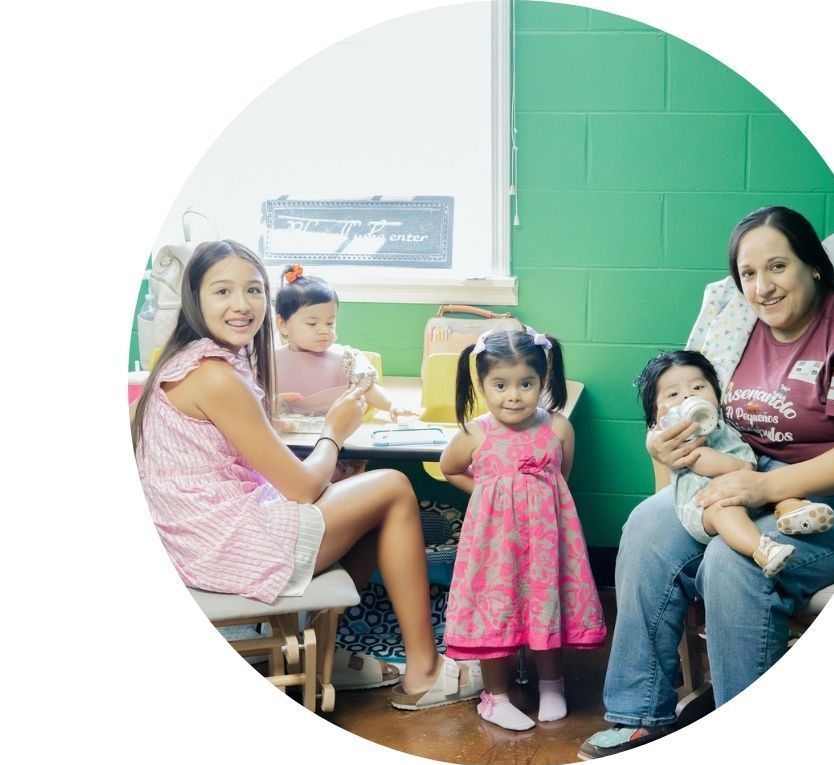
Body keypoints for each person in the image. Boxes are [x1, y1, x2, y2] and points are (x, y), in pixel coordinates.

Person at [580, 206, 834, 759]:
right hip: (737, 475)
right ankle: (642, 715)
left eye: (777, 267)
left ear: (813, 266)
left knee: (733, 561)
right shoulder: (735, 324)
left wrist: (764, 489)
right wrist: (661, 441)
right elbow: (685, 403)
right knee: (648, 528)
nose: (762, 287)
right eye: (748, 274)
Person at [131, 240, 482, 709]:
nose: (242, 304)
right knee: (393, 487)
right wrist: (334, 432)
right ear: (196, 299)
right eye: (222, 291)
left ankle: (332, 653)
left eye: (254, 290)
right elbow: (298, 485)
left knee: (358, 496)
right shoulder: (215, 376)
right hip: (223, 546)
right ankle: (424, 672)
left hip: (197, 538)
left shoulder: (186, 362)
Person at [439, 328, 607, 731]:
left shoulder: (559, 428)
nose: (513, 395)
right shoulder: (474, 433)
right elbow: (449, 468)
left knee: (545, 604)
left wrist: (534, 496)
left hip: (548, 541)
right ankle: (495, 698)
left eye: (526, 384)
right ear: (482, 385)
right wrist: (487, 490)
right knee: (496, 611)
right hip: (495, 544)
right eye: (500, 385)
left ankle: (552, 683)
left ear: (544, 382)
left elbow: (559, 476)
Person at [635, 349, 834, 578]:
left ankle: (793, 510)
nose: (689, 396)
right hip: (706, 504)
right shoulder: (681, 439)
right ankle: (762, 549)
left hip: (748, 484)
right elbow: (700, 460)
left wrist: (750, 473)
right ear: (659, 413)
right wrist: (742, 469)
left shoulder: (718, 423)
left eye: (698, 388)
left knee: (779, 476)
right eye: (673, 394)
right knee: (726, 510)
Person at [273, 263, 415, 480]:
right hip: (289, 449)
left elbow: (366, 390)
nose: (324, 330)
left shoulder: (345, 359)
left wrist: (391, 405)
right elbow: (253, 401)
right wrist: (273, 402)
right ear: (283, 325)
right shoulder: (270, 361)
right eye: (312, 324)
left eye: (330, 323)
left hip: (338, 448)